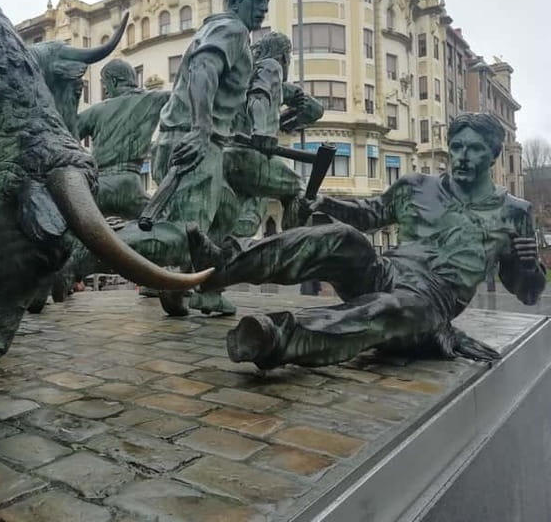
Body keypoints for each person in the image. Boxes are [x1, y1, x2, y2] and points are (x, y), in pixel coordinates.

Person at [187, 112, 545, 368]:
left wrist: (527, 266)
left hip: (430, 302)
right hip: (385, 271)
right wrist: (326, 203)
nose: (462, 156)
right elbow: (368, 215)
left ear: (494, 153)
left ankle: (276, 339)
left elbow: (528, 294)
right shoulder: (416, 186)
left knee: (386, 308)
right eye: (456, 146)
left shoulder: (514, 212)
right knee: (342, 238)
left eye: (475, 149)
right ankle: (221, 266)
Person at [146, 0, 273, 315]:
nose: (264, 9)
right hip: (195, 142)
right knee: (185, 232)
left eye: (267, 2)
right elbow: (203, 70)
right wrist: (201, 129)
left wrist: (241, 135)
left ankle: (204, 289)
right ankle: (76, 262)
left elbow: (222, 97)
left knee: (227, 212)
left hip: (186, 138)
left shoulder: (223, 30)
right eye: (257, 1)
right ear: (236, 0)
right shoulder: (230, 29)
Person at [225, 31, 323, 237]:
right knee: (300, 191)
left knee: (245, 219)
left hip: (225, 156)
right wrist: (261, 131)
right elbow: (260, 95)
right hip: (249, 154)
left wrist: (299, 112)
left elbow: (312, 109)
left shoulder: (238, 77)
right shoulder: (271, 66)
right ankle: (293, 244)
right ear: (285, 57)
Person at [77, 59, 170, 219]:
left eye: (105, 84)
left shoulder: (96, 111)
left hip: (97, 188)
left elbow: (66, 134)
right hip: (129, 185)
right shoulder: (154, 98)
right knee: (168, 223)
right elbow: (186, 99)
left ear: (113, 81)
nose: (105, 90)